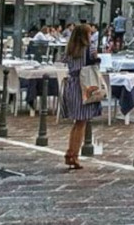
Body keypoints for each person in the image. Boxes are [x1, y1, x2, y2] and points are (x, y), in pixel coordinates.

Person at [60, 23, 101, 170]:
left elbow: (64, 61)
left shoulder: (70, 49)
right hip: (84, 86)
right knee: (81, 123)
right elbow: (96, 64)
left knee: (77, 123)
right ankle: (73, 155)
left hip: (71, 85)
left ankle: (71, 152)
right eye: (89, 33)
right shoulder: (90, 49)